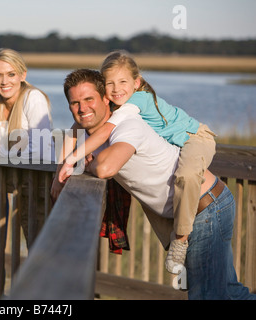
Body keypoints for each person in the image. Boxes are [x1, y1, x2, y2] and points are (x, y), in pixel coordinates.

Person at [54, 68, 255, 300]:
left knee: (207, 295)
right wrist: (58, 174)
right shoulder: (87, 130)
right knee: (228, 293)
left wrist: (86, 164)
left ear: (106, 99)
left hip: (205, 208)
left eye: (89, 99)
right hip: (200, 208)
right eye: (75, 103)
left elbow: (105, 168)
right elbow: (74, 129)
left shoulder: (128, 125)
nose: (82, 108)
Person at [58, 51, 216, 274]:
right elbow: (75, 129)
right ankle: (183, 258)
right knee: (215, 285)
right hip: (182, 188)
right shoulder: (112, 109)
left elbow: (105, 155)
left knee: (187, 175)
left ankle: (181, 239)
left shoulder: (131, 109)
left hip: (195, 139)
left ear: (136, 82)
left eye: (123, 82)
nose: (116, 89)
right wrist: (60, 171)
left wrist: (79, 160)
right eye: (110, 84)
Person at [0, 48, 54, 298]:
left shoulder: (33, 98)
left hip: (38, 183)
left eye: (10, 74)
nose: (4, 81)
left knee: (38, 249)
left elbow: (40, 147)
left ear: (22, 74)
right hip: (7, 183)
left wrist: (1, 157)